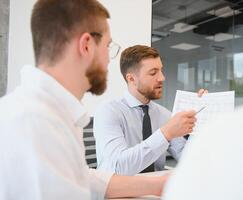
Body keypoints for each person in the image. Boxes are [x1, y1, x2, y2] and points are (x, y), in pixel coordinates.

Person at [0, 1, 168, 199]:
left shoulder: (51, 112)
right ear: (86, 45)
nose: (109, 59)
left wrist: (155, 185)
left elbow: (81, 178)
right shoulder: (35, 123)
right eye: (108, 46)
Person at [94, 45, 207, 175]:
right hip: (118, 192)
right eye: (153, 73)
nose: (162, 78)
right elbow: (118, 167)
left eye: (161, 71)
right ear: (131, 79)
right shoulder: (108, 112)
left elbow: (189, 159)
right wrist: (165, 133)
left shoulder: (164, 114)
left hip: (154, 191)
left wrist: (199, 119)